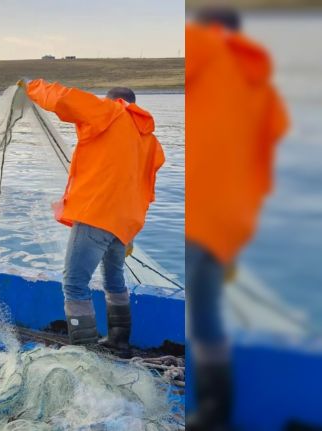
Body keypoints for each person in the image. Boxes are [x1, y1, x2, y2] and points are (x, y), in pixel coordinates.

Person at [186, 7, 288, 430]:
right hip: (235, 219)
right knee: (207, 309)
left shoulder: (204, 49)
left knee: (202, 308)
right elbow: (268, 149)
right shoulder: (262, 85)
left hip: (202, 212)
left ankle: (213, 409)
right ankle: (218, 407)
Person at [21, 79, 164, 356]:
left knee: (74, 284)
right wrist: (129, 232)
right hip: (124, 224)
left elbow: (63, 98)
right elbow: (146, 187)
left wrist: (31, 86)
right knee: (114, 281)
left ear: (114, 101)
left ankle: (83, 353)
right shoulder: (150, 140)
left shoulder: (109, 111)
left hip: (96, 215)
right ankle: (119, 342)